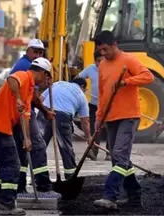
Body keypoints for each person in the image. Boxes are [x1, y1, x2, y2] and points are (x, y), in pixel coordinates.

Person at [92, 30, 154, 210]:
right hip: (111, 117)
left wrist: (126, 82)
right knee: (119, 159)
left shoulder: (129, 60)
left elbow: (148, 76)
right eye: (100, 50)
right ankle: (134, 197)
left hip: (128, 116)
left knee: (119, 154)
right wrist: (99, 117)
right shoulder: (102, 65)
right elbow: (103, 94)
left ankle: (109, 196)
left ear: (114, 44)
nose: (103, 53)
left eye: (105, 49)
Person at [0, 57, 51, 216]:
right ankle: (6, 205)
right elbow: (11, 79)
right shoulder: (24, 76)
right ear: (42, 73)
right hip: (0, 127)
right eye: (47, 77)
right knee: (12, 165)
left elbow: (25, 118)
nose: (46, 81)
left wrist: (27, 138)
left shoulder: (29, 91)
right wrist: (18, 98)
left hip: (2, 128)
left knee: (4, 166)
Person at [9, 38, 56, 196]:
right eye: (34, 51)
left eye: (40, 52)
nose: (37, 54)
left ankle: (20, 186)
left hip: (21, 112)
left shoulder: (30, 66)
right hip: (20, 113)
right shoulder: (25, 66)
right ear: (27, 51)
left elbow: (32, 95)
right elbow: (34, 97)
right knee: (37, 145)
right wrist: (45, 111)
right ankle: (42, 185)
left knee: (25, 149)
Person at [37, 77, 93, 179]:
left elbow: (40, 99)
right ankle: (70, 176)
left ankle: (39, 177)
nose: (85, 91)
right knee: (66, 148)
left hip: (44, 112)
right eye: (85, 89)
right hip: (62, 117)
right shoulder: (81, 95)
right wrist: (89, 137)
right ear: (82, 87)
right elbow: (85, 121)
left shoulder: (58, 84)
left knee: (39, 145)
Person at [77, 50, 111, 160]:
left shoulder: (110, 68)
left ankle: (110, 153)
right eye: (98, 61)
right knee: (94, 130)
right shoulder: (90, 69)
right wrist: (80, 87)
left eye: (102, 60)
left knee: (110, 129)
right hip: (94, 105)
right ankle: (93, 152)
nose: (100, 63)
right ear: (95, 61)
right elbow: (78, 79)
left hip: (108, 105)